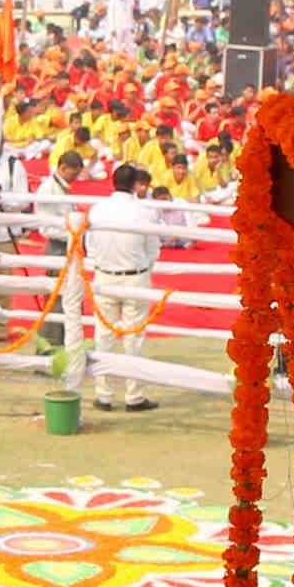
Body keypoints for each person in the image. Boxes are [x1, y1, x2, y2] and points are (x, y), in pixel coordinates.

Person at [80, 161, 173, 411]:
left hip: (104, 275)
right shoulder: (144, 212)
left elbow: (89, 245)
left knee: (104, 336)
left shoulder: (97, 209)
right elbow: (153, 248)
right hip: (134, 276)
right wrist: (142, 268)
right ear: (135, 185)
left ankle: (104, 395)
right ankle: (134, 396)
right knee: (134, 338)